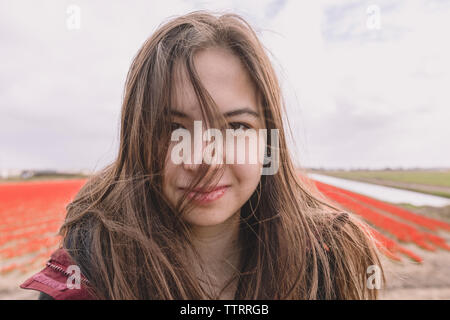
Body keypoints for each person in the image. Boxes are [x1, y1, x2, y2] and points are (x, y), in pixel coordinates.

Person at [20, 10, 384, 300]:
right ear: (137, 139)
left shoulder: (326, 266)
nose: (205, 159)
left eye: (237, 127)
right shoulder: (87, 278)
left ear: (268, 140)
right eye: (174, 130)